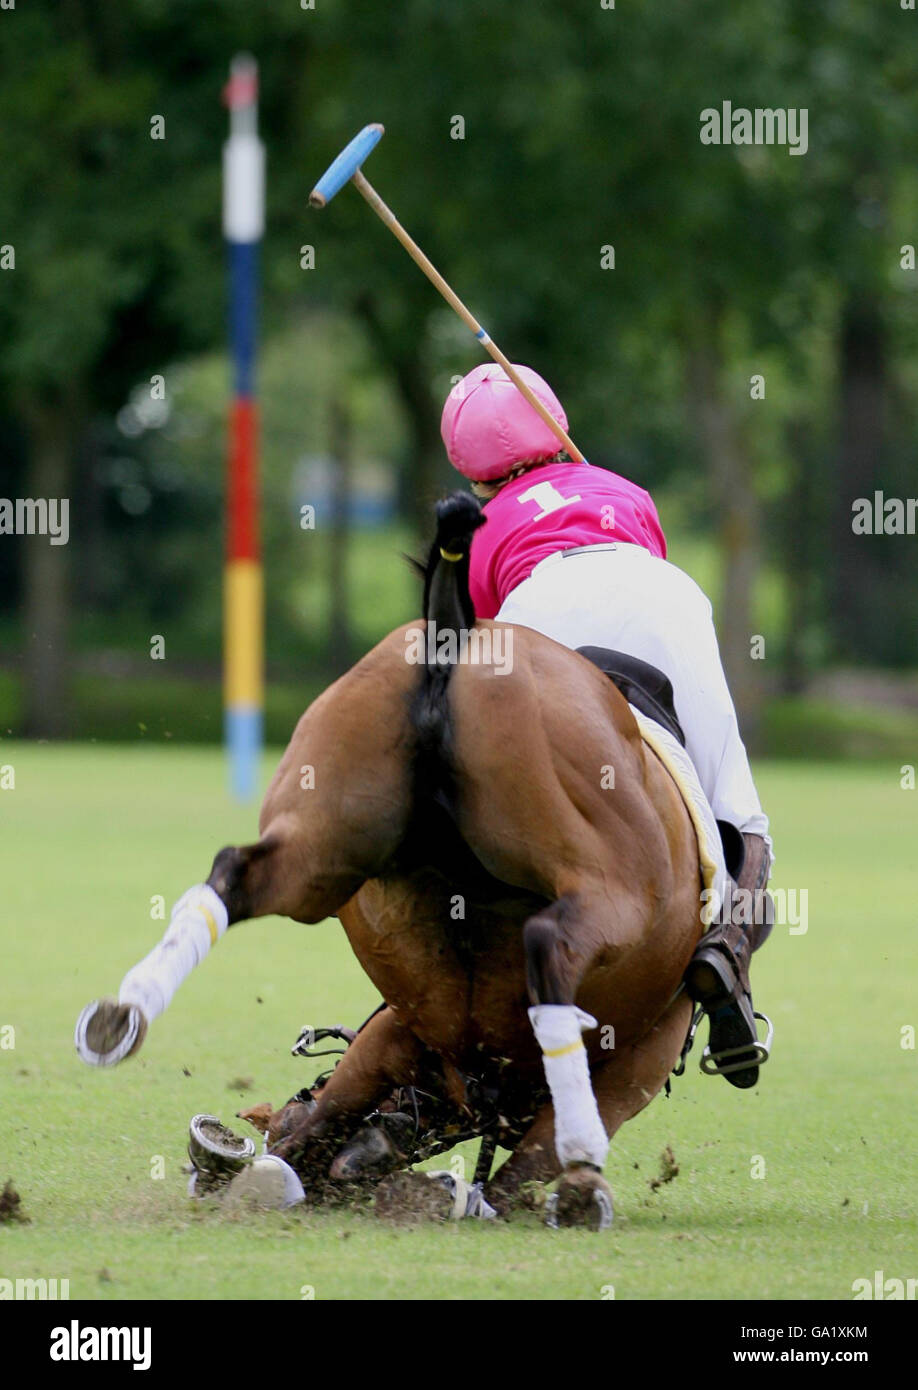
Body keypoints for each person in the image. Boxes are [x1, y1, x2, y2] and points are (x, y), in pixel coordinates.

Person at [441, 362, 773, 1087]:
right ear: (557, 426)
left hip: (539, 609)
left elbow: (479, 636)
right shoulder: (624, 491)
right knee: (736, 808)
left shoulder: (480, 527)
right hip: (662, 597)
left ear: (474, 472)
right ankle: (727, 955)